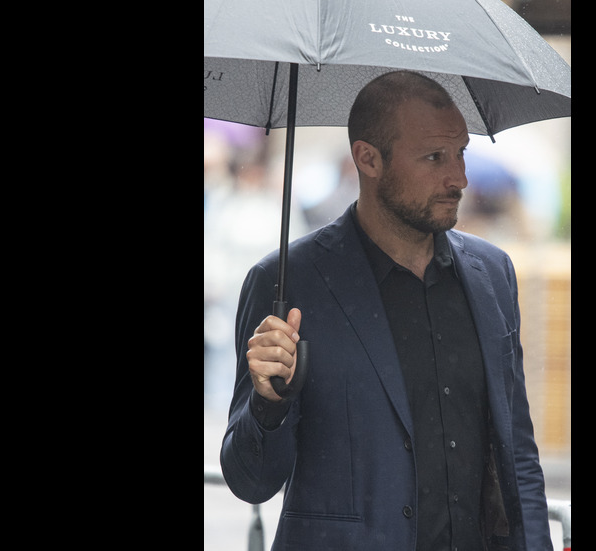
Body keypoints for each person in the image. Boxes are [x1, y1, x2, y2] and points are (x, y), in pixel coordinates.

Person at [221, 70, 554, 551]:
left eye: (460, 153)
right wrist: (269, 403)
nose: (459, 178)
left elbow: (517, 454)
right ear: (368, 159)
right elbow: (250, 482)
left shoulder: (493, 273)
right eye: (434, 157)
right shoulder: (287, 282)